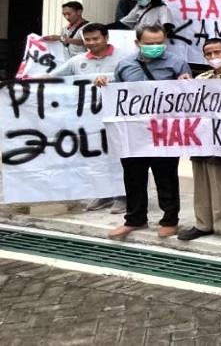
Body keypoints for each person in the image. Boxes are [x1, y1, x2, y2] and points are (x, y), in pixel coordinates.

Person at [100, 25, 191, 241]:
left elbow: (188, 98)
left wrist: (186, 85)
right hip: (133, 133)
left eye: (159, 42)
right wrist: (105, 84)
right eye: (149, 43)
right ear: (137, 43)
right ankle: (135, 219)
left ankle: (170, 220)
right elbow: (117, 94)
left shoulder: (177, 64)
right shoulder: (125, 65)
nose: (155, 47)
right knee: (133, 176)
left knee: (166, 176)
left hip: (164, 132)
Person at [177, 38, 221, 245]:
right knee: (201, 180)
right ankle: (203, 224)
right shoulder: (201, 78)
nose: (213, 57)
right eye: (208, 54)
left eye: (217, 52)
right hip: (201, 137)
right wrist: (185, 85)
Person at [50, 23, 129, 212]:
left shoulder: (125, 57)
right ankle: (103, 194)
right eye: (88, 40)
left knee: (120, 157)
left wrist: (112, 82)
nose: (92, 43)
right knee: (96, 158)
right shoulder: (77, 61)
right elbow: (54, 78)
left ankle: (123, 196)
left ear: (106, 38)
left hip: (118, 118)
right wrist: (28, 83)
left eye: (96, 38)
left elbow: (134, 81)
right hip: (89, 122)